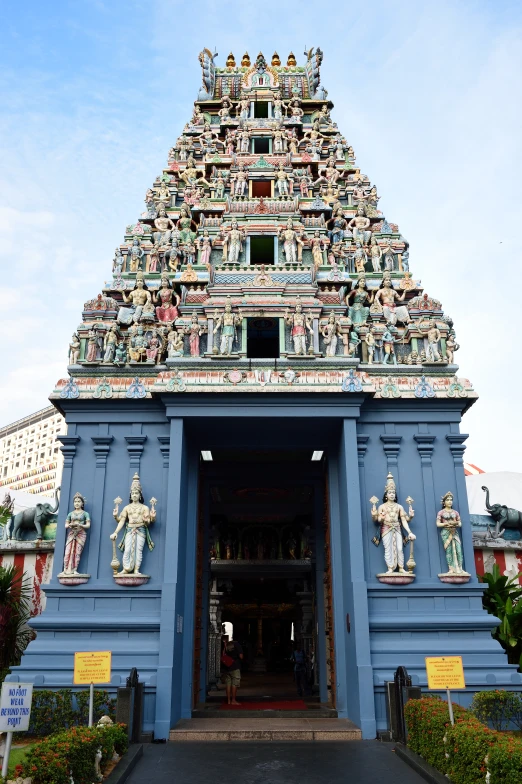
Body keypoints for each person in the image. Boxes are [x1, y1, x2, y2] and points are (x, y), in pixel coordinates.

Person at [221, 637, 244, 705]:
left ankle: (228, 700)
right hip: (235, 666)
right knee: (234, 683)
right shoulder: (237, 645)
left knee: (228, 684)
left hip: (227, 667)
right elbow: (241, 656)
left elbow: (223, 654)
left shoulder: (226, 646)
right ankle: (233, 700)